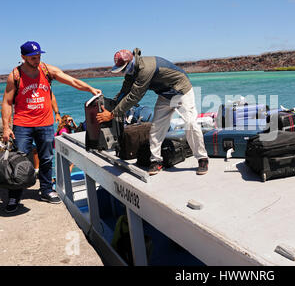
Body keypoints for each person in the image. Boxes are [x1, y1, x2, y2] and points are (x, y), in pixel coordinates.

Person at [1, 41, 101, 213]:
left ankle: (46, 190)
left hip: (45, 123)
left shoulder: (47, 70)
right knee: (19, 159)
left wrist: (90, 89)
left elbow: (72, 81)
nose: (37, 60)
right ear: (23, 57)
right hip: (22, 124)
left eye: (39, 56)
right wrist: (6, 127)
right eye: (33, 57)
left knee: (46, 158)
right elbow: (7, 102)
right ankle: (14, 197)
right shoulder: (15, 76)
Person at [96, 48, 209, 176]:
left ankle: (202, 158)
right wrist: (112, 107)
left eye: (122, 68)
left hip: (181, 91)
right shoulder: (131, 71)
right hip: (165, 94)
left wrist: (112, 114)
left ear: (129, 62)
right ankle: (156, 161)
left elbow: (134, 96)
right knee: (156, 128)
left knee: (191, 124)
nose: (122, 72)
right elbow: (125, 90)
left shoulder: (145, 69)